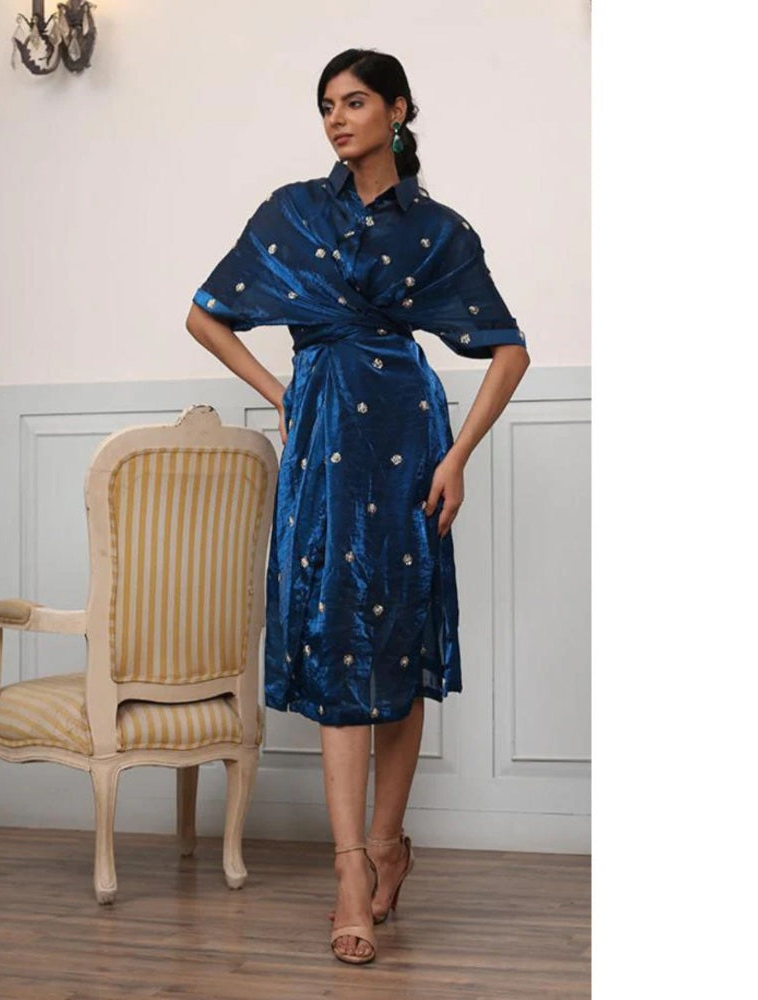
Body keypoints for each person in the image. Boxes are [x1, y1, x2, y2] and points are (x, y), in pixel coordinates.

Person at [185, 48, 530, 965]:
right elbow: (205, 313)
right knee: (339, 636)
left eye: (355, 102)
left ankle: (387, 844)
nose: (337, 119)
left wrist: (457, 456)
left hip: (409, 440)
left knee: (399, 640)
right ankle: (349, 870)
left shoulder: (439, 230)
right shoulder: (294, 211)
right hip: (324, 445)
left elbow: (510, 352)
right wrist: (283, 392)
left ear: (398, 110)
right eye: (326, 106)